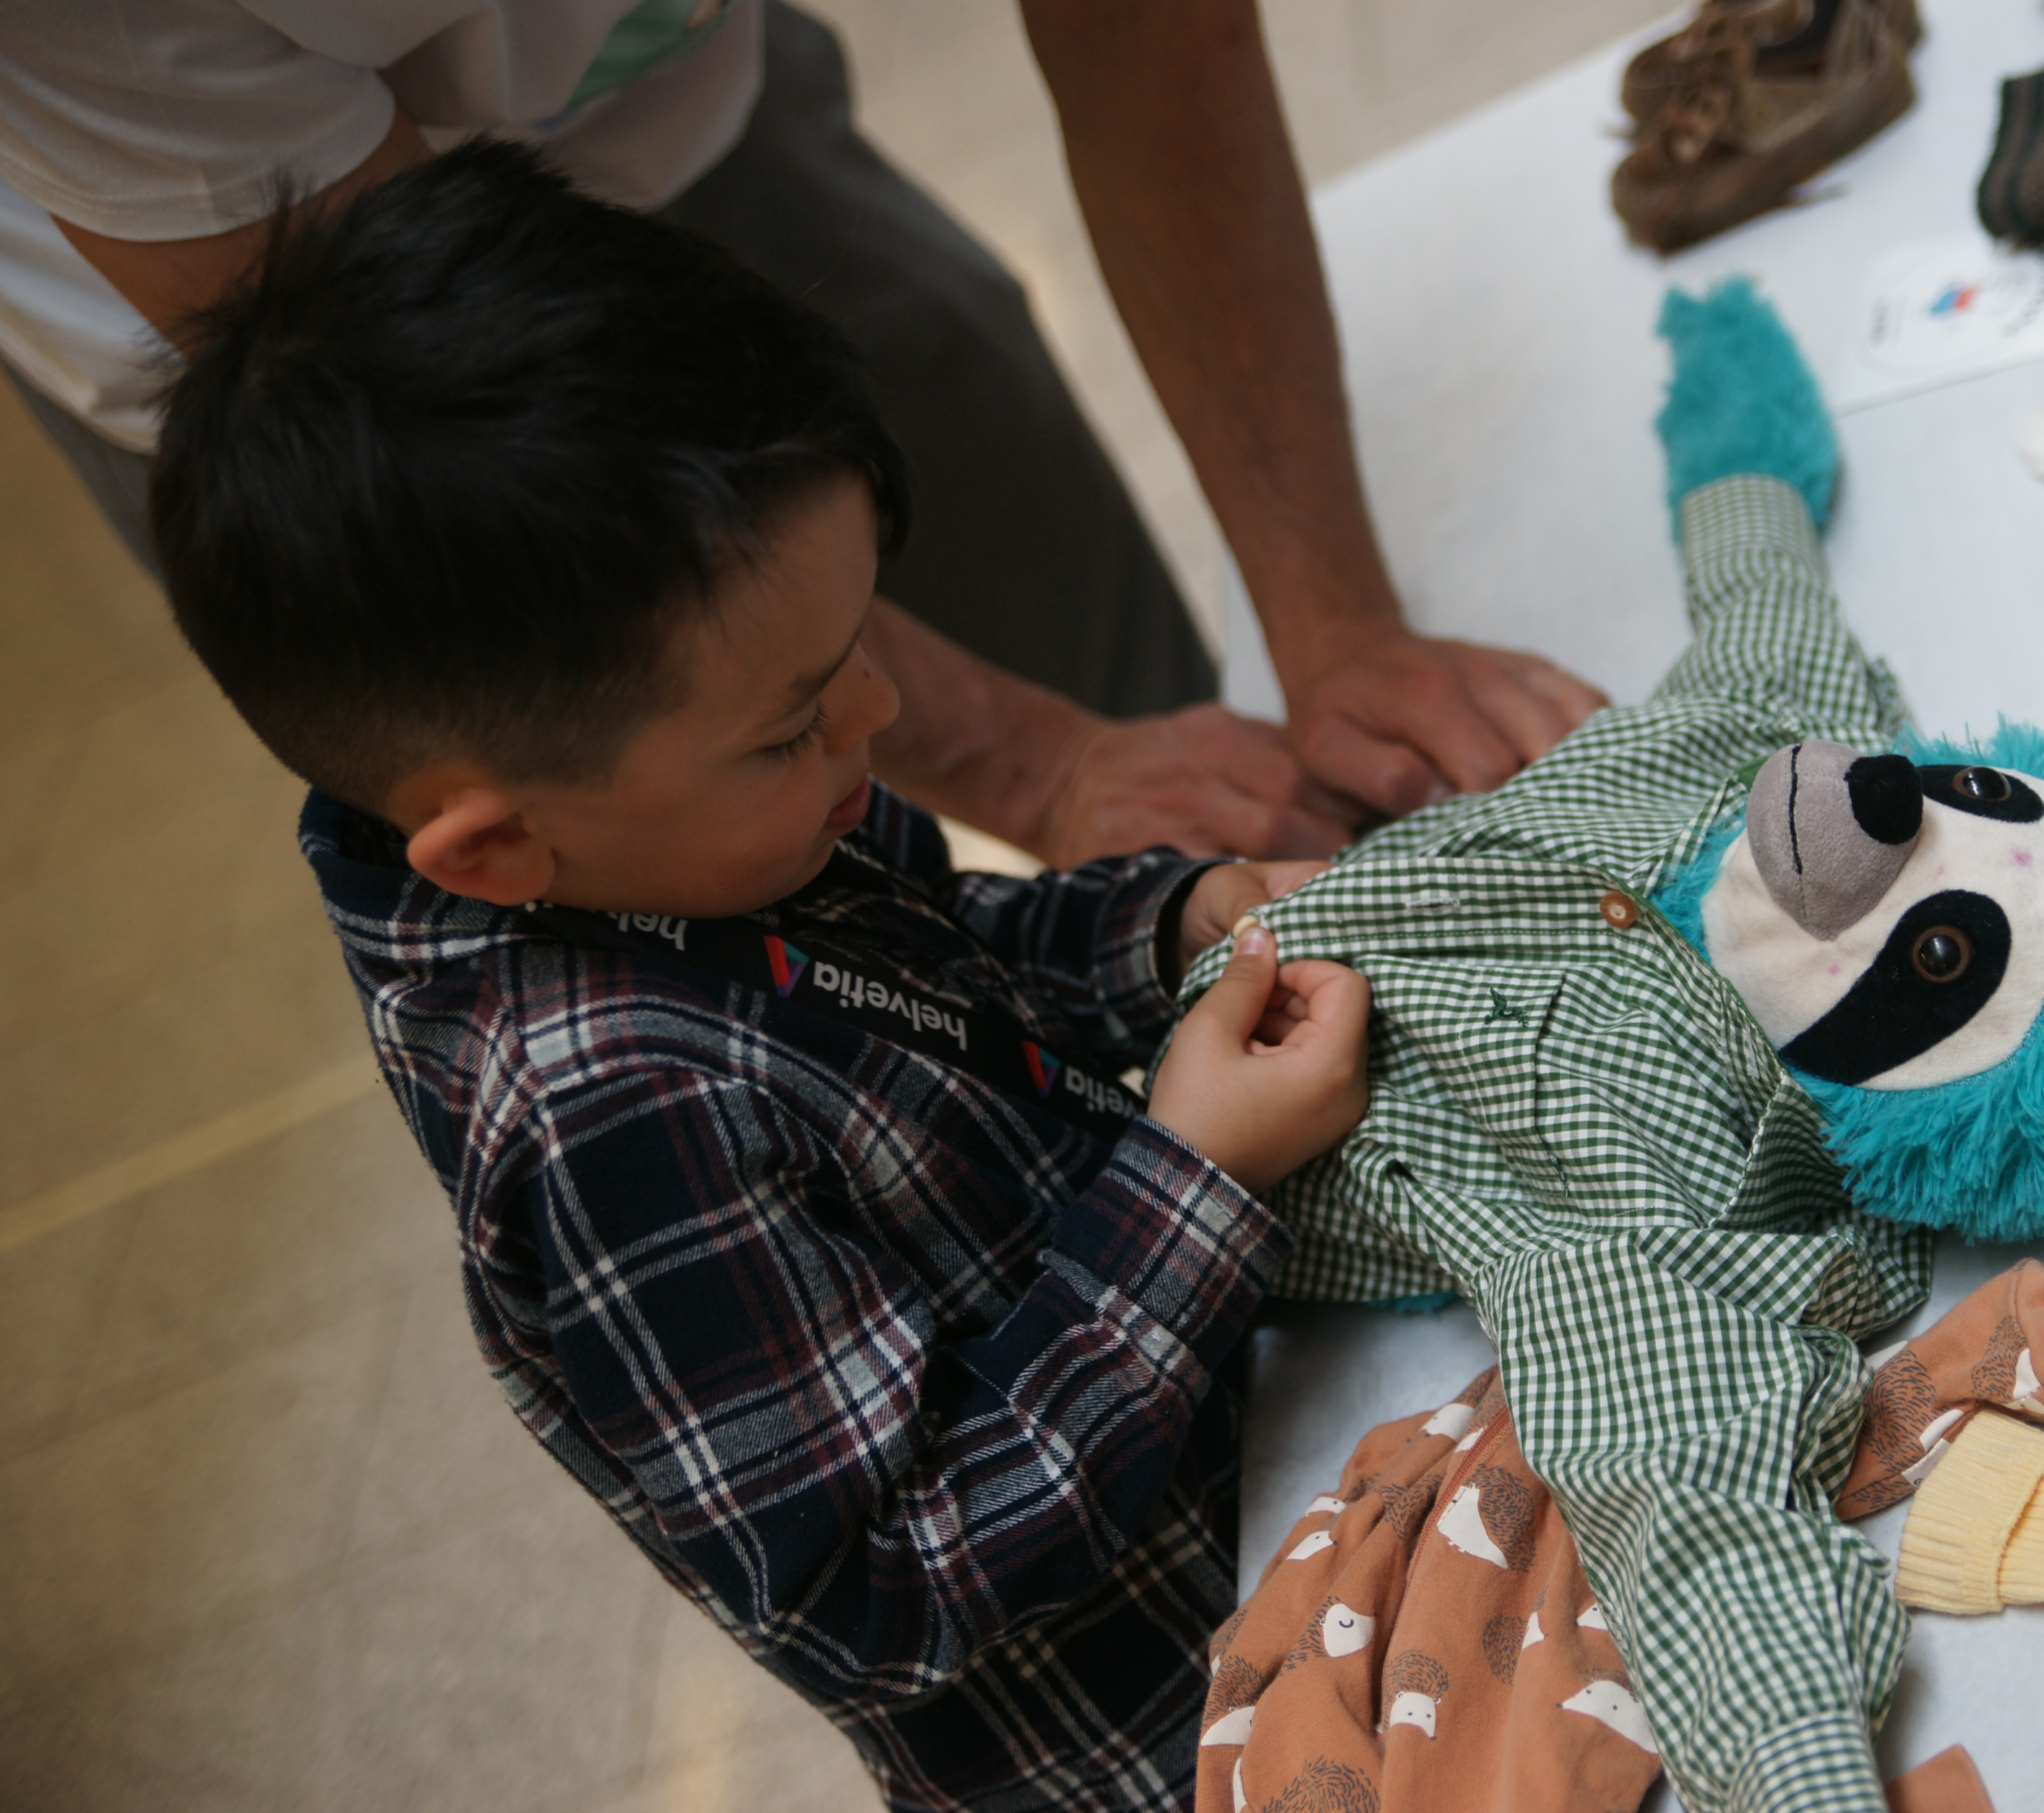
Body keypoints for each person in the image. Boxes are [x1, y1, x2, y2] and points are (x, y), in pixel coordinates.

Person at [153, 140, 1373, 1812]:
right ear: (495, 850)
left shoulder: (695, 839)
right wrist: (1196, 1183)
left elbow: (941, 966)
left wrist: (1167, 924)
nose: (878, 718)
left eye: (859, 642)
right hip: (1207, 1716)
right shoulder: (611, 1119)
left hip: (1288, 1463)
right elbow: (884, 1591)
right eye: (795, 720)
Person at [0, 0, 1607, 865]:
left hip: (666, 95)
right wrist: (1035, 766)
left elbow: (1150, 32)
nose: (869, 703)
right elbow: (389, 395)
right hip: (270, 311)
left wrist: (1333, 622)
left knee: (1001, 530)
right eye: (797, 718)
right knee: (702, 825)